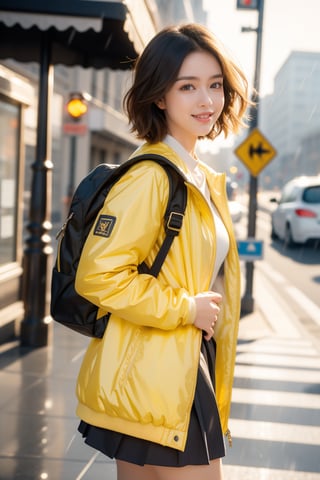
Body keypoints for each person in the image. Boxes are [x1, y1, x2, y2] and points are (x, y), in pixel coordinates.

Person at [75, 23, 250, 480]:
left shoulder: (199, 177)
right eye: (187, 87)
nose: (206, 101)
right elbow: (97, 275)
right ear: (159, 96)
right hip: (155, 378)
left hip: (179, 369)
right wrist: (186, 308)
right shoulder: (152, 176)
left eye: (214, 85)